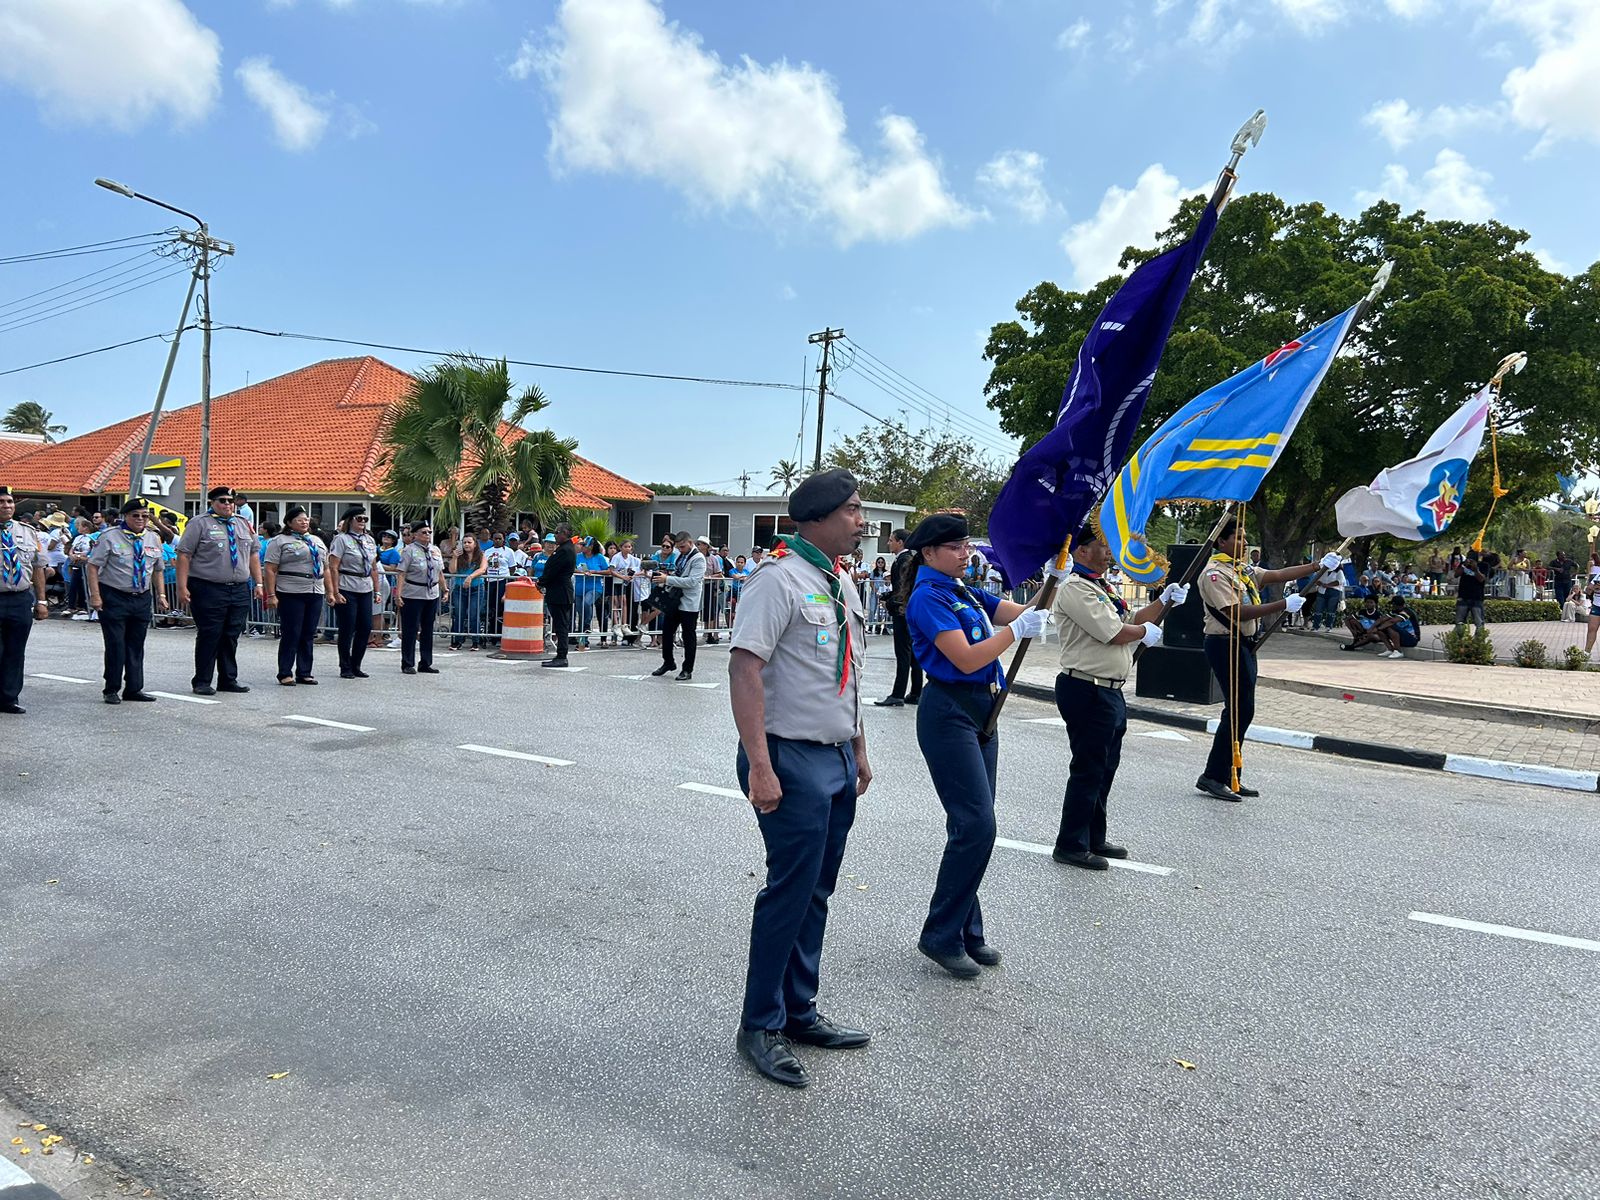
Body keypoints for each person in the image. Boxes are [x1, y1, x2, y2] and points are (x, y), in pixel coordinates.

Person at [729, 468, 872, 1089]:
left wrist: (858, 749)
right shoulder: (777, 580)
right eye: (853, 510)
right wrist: (760, 765)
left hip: (836, 756)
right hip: (787, 757)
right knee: (789, 890)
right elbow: (744, 670)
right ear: (818, 516)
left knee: (818, 890)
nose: (862, 521)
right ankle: (759, 1024)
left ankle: (798, 1011)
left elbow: (850, 675)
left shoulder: (841, 583)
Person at [901, 513, 1050, 979]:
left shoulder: (962, 590)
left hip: (985, 711)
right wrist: (1013, 634)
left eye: (968, 545)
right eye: (956, 547)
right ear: (929, 553)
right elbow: (965, 658)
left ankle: (967, 930)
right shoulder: (928, 597)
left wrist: (1053, 581)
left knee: (972, 826)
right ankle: (940, 934)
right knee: (977, 825)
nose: (967, 553)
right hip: (949, 712)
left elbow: (1015, 613)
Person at [1051, 514, 1187, 870]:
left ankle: (1093, 836)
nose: (1109, 551)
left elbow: (1131, 618)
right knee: (1088, 768)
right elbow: (1112, 632)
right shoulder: (1076, 587)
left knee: (1105, 767)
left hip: (1109, 689)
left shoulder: (1102, 586)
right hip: (1085, 687)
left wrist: (1165, 602)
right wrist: (1144, 634)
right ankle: (1070, 843)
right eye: (1101, 545)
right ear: (1081, 550)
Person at [1194, 514, 1333, 802]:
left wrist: (1317, 566)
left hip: (1244, 643)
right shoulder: (1214, 573)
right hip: (1225, 644)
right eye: (1238, 538)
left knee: (1244, 710)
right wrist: (1283, 604)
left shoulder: (1240, 569)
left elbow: (1275, 575)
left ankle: (1232, 774)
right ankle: (1213, 776)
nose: (1243, 543)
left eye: (1245, 538)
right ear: (1221, 540)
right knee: (1237, 710)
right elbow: (1234, 612)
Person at [176, 486, 262, 696]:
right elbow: (184, 555)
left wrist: (259, 584)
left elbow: (253, 555)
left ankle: (228, 679)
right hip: (208, 587)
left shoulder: (243, 524)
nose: (227, 504)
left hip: (239, 587)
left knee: (232, 634)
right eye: (222, 500)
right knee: (210, 634)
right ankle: (202, 680)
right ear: (212, 503)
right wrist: (182, 586)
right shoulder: (200, 523)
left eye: (230, 501)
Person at [86, 499, 167, 703]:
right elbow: (93, 566)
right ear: (125, 516)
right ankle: (111, 688)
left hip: (140, 596)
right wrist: (95, 596)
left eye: (144, 516)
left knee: (136, 645)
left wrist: (162, 595)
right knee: (115, 645)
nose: (140, 519)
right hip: (114, 595)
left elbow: (157, 570)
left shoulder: (153, 538)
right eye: (135, 515)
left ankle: (134, 688)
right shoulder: (110, 537)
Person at [263, 505, 329, 686]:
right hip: (291, 591)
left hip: (315, 590)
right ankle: (285, 672)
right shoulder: (280, 541)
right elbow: (270, 569)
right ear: (290, 523)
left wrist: (331, 591)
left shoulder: (316, 540)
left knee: (308, 633)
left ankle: (304, 671)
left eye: (306, 519)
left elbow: (326, 567)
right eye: (299, 520)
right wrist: (271, 594)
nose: (304, 522)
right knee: (291, 632)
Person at [0, 485, 48, 713]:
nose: (7, 506)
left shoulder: (28, 532)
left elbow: (38, 568)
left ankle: (9, 698)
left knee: (15, 651)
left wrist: (41, 601)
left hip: (20, 598)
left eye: (9, 502)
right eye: (2, 502)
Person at [328, 507, 381, 678]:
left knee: (365, 627)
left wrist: (377, 590)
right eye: (359, 518)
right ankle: (345, 666)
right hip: (346, 586)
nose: (363, 522)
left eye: (365, 519)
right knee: (347, 627)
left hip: (365, 586)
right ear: (350, 520)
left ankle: (356, 664)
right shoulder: (341, 539)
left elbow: (373, 567)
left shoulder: (369, 540)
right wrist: (335, 592)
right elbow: (334, 567)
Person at [876, 528, 923, 708]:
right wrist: (888, 595)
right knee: (913, 654)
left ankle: (898, 694)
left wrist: (891, 603)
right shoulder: (908, 558)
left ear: (900, 542)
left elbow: (904, 589)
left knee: (903, 653)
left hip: (902, 612)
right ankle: (916, 691)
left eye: (891, 540)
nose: (888, 543)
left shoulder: (903, 560)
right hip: (907, 610)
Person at [650, 531, 705, 681]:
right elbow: (678, 573)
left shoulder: (698, 558)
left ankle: (687, 670)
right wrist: (664, 576)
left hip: (689, 604)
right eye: (678, 547)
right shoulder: (681, 556)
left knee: (689, 638)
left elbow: (691, 581)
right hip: (675, 601)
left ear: (690, 542)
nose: (680, 549)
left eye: (682, 546)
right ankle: (668, 662)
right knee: (667, 633)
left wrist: (667, 579)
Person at [395, 519, 444, 674]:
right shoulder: (409, 550)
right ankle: (408, 663)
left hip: (431, 593)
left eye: (429, 532)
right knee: (411, 629)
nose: (427, 535)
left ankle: (426, 662)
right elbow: (401, 573)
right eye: (424, 532)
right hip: (413, 593)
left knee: (428, 629)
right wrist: (399, 594)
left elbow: (439, 571)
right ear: (415, 535)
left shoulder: (435, 550)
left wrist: (445, 589)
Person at [540, 524, 577, 668]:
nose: (555, 535)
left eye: (557, 533)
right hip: (558, 590)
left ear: (565, 533)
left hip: (560, 591)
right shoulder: (564, 549)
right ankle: (560, 655)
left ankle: (562, 656)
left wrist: (541, 583)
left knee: (561, 626)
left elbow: (553, 570)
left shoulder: (565, 550)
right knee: (560, 624)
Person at [448, 533, 488, 650]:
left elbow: (483, 569)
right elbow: (452, 570)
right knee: (458, 614)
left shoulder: (481, 554)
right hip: (460, 589)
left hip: (477, 588)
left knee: (474, 614)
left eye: (469, 542)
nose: (466, 544)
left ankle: (476, 641)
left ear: (475, 544)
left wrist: (470, 577)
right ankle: (457, 641)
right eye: (464, 542)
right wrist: (454, 557)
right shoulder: (459, 555)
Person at [1453, 550, 1487, 634]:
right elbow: (1456, 574)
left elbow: (1481, 579)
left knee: (1479, 622)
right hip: (1463, 596)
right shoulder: (1463, 565)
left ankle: (1478, 641)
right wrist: (1464, 566)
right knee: (1459, 622)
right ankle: (1457, 641)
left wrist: (1476, 569)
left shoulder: (1483, 565)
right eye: (1468, 556)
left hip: (1476, 597)